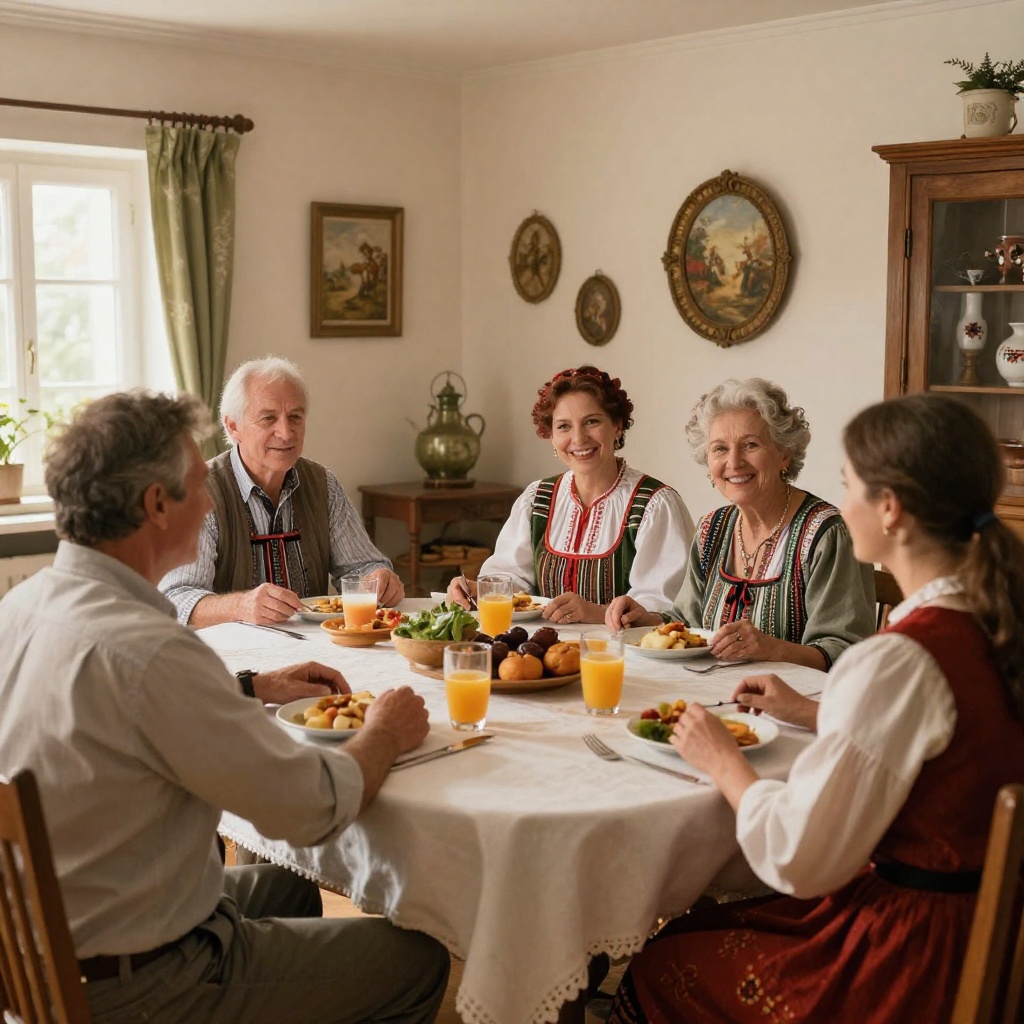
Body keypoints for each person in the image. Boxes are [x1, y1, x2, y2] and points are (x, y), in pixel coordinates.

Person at [0, 390, 449, 1024]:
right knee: (418, 962)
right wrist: (384, 731)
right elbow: (311, 807)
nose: (211, 499)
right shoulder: (152, 650)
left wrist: (248, 687)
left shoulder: (22, 607)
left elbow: (111, 709)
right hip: (142, 982)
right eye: (195, 484)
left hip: (43, 946)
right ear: (157, 505)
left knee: (287, 880)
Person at [609, 393, 1024, 1024]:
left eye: (847, 483)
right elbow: (944, 737)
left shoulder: (898, 660)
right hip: (979, 930)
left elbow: (799, 858)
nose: (840, 500)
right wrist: (815, 716)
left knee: (658, 960)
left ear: (889, 509)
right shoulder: (991, 618)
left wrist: (723, 761)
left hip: (912, 962)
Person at [607, 378, 873, 669]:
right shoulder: (712, 529)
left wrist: (773, 649)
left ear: (784, 454)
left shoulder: (826, 534)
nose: (734, 462)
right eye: (720, 449)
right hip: (717, 694)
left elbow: (846, 653)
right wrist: (648, 619)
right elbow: (688, 623)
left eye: (750, 445)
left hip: (796, 705)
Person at [160, 356, 403, 627]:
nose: (286, 433)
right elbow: (177, 598)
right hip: (233, 657)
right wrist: (241, 605)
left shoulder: (323, 485)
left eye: (295, 417)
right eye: (268, 419)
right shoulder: (200, 492)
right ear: (233, 426)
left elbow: (361, 569)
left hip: (315, 649)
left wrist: (379, 577)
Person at [448, 365, 695, 625]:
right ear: (551, 436)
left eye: (592, 421)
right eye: (564, 426)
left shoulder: (654, 504)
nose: (578, 438)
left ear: (618, 426)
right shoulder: (537, 500)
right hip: (540, 655)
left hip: (620, 658)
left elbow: (667, 609)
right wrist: (482, 591)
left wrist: (595, 613)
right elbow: (512, 579)